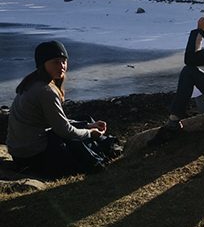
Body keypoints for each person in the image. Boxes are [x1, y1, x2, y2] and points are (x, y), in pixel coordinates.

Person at [6, 41, 120, 178]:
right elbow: (64, 130)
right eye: (56, 62)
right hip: (31, 156)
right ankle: (100, 158)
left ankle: (106, 146)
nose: (62, 66)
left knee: (84, 120)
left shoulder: (33, 81)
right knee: (71, 139)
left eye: (64, 61)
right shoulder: (45, 91)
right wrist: (90, 133)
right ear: (43, 64)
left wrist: (88, 125)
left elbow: (58, 122)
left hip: (20, 152)